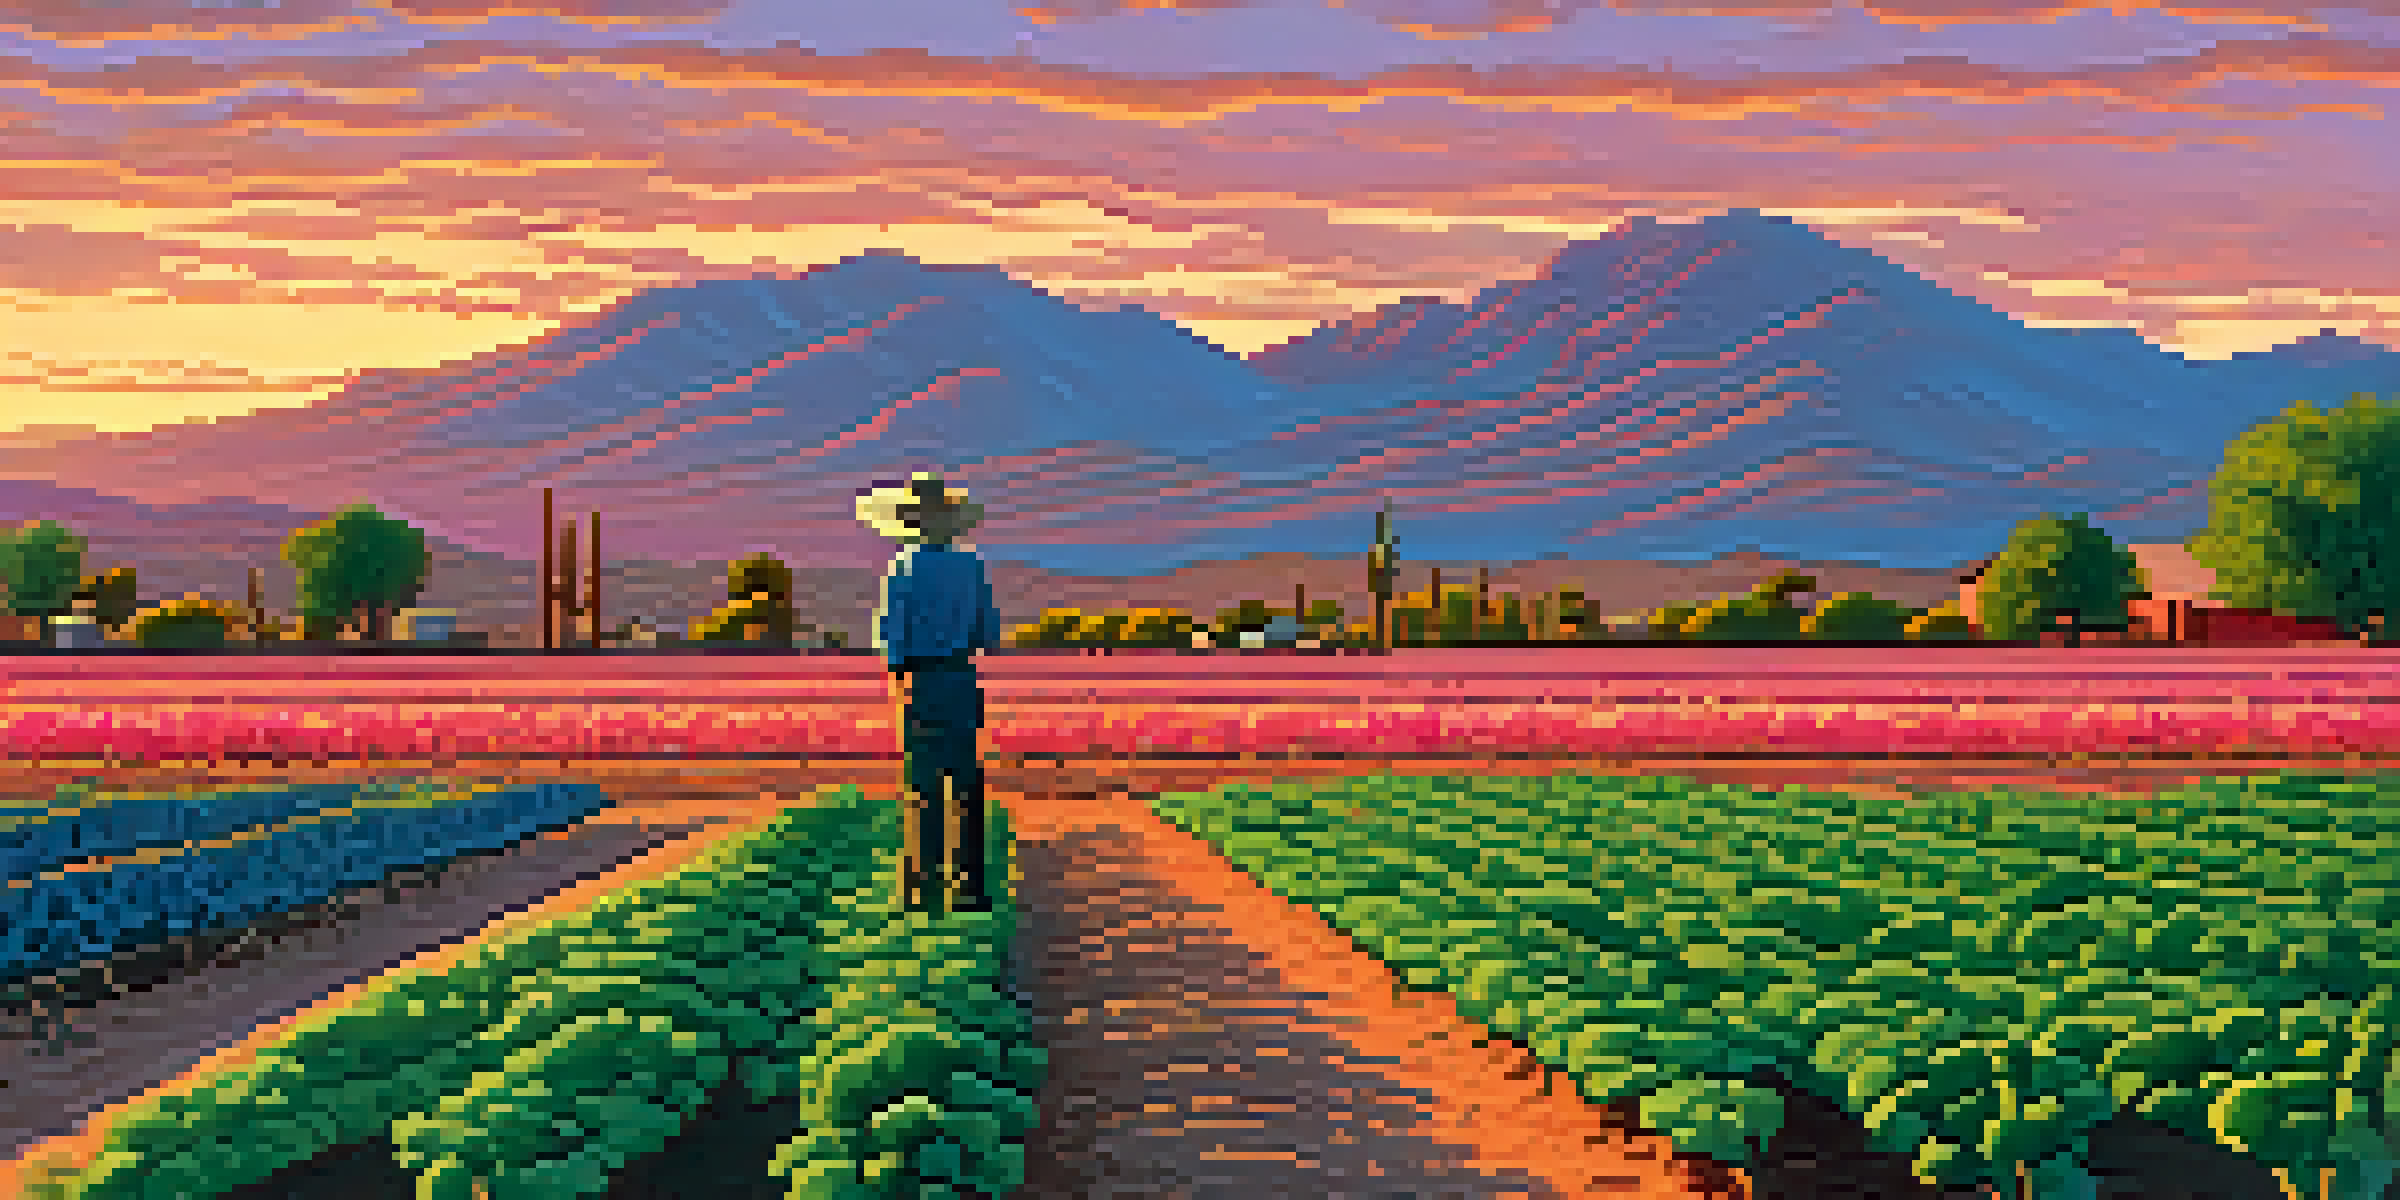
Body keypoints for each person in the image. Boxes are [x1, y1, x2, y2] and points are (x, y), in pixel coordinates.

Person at [857, 472, 1003, 913]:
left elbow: (891, 638)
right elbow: (988, 634)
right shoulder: (973, 565)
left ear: (912, 520)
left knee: (923, 786)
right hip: (961, 678)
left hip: (919, 681)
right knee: (966, 783)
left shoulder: (901, 567)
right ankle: (971, 888)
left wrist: (899, 680)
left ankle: (924, 889)